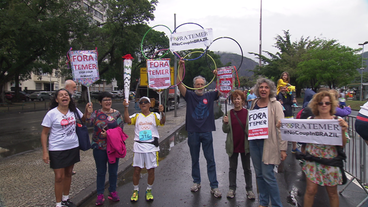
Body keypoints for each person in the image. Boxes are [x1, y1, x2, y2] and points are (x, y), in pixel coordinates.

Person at [177, 60, 222, 198]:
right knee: (194, 159)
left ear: (206, 84)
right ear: (194, 85)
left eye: (202, 84)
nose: (200, 86)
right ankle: (196, 182)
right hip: (193, 132)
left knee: (210, 160)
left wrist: (218, 77)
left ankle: (214, 186)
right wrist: (180, 67)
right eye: (198, 84)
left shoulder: (210, 95)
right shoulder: (189, 95)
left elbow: (221, 90)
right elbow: (179, 83)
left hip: (207, 131)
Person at [41, 89, 92, 207]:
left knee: (69, 173)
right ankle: (58, 204)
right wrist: (45, 151)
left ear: (69, 98)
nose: (64, 96)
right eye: (61, 95)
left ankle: (66, 199)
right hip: (57, 149)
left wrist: (87, 111)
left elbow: (83, 120)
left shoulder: (73, 111)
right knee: (59, 177)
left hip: (73, 146)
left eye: (66, 95)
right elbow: (44, 133)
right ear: (56, 99)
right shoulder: (52, 113)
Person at [300, 91, 348, 207]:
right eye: (321, 103)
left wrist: (343, 130)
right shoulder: (310, 121)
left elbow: (342, 144)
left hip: (331, 162)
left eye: (327, 103)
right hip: (313, 161)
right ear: (316, 105)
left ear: (332, 105)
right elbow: (300, 137)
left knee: (332, 193)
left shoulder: (338, 121)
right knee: (310, 191)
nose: (324, 105)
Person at [249, 78, 287, 207]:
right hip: (254, 143)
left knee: (268, 175)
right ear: (257, 89)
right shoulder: (254, 102)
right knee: (259, 175)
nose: (263, 89)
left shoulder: (275, 104)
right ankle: (263, 203)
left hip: (269, 144)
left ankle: (277, 204)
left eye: (266, 87)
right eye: (261, 87)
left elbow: (281, 127)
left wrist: (283, 148)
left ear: (270, 90)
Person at [123, 97, 165, 202]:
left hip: (151, 147)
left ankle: (149, 190)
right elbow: (127, 120)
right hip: (139, 147)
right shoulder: (137, 116)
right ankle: (135, 190)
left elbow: (162, 122)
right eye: (141, 102)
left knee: (151, 170)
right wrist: (126, 108)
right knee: (137, 170)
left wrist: (162, 112)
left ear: (150, 104)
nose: (143, 104)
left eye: (145, 102)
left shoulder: (155, 115)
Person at [88, 92, 125, 206]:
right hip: (99, 147)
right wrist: (88, 113)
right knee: (101, 171)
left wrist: (108, 134)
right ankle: (100, 194)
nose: (108, 102)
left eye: (109, 99)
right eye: (105, 100)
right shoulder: (96, 113)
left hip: (113, 147)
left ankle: (112, 191)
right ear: (100, 102)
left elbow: (120, 131)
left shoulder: (117, 114)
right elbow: (88, 123)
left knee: (113, 171)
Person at [222, 90, 255, 200]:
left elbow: (252, 130)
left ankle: (249, 190)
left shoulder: (248, 113)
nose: (236, 101)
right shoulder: (229, 114)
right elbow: (225, 130)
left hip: (245, 145)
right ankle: (232, 189)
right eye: (235, 99)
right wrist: (225, 123)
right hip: (233, 145)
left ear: (242, 100)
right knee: (232, 168)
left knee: (247, 169)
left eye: (238, 98)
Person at [278, 85, 300, 153]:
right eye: (282, 88)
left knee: (292, 131)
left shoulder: (289, 95)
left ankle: (294, 147)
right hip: (282, 116)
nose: (284, 89)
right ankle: (282, 150)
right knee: (282, 133)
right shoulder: (278, 96)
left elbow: (292, 101)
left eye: (285, 88)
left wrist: (294, 101)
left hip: (290, 115)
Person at [65, 79, 77, 175]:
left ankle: (69, 169)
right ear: (67, 88)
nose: (76, 89)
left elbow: (79, 114)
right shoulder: (61, 98)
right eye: (74, 87)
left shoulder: (72, 99)